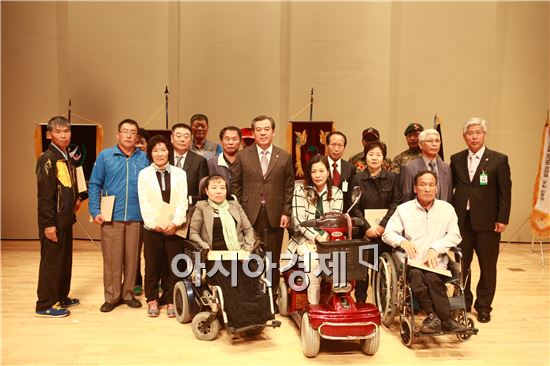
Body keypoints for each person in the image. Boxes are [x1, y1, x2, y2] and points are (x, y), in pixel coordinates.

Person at [382, 171, 467, 333]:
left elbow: (455, 235)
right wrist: (402, 241)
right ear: (415, 188)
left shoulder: (447, 209)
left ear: (436, 188)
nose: (427, 189)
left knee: (432, 277)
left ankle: (437, 318)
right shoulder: (403, 209)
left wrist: (436, 248)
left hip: (436, 263)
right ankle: (440, 318)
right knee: (416, 276)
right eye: (422, 185)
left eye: (431, 185)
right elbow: (388, 233)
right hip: (412, 262)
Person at [189, 175, 273, 329]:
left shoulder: (234, 205)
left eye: (222, 187)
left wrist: (246, 251)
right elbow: (193, 233)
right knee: (229, 279)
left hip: (238, 254)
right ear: (206, 191)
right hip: (215, 256)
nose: (219, 191)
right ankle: (237, 320)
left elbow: (248, 230)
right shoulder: (202, 207)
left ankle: (258, 318)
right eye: (214, 188)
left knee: (250, 276)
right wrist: (206, 248)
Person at [450, 117, 511, 323]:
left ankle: (484, 306)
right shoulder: (456, 159)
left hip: (488, 223)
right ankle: (464, 301)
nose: (474, 136)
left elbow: (505, 192)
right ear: (464, 136)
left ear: (484, 135)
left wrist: (502, 218)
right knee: (462, 265)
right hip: (462, 222)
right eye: (470, 133)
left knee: (487, 266)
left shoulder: (498, 160)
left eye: (478, 132)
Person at [232, 115, 294, 305]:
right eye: (258, 129)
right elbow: (235, 185)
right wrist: (239, 213)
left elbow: (289, 186)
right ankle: (251, 294)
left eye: (266, 129)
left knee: (272, 257)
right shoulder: (243, 156)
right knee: (249, 255)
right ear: (253, 133)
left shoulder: (284, 156)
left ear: (273, 132)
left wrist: (286, 212)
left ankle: (271, 296)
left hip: (275, 215)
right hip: (249, 214)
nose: (263, 133)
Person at [89, 119, 149, 312]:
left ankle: (128, 293)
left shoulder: (143, 158)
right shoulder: (106, 156)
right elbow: (95, 184)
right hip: (111, 216)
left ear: (137, 136)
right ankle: (112, 297)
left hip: (136, 216)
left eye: (133, 132)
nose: (129, 135)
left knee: (132, 259)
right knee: (112, 259)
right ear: (118, 134)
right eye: (125, 131)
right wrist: (95, 210)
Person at [35, 116, 82, 317]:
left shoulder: (65, 155)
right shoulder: (47, 158)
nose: (63, 135)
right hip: (53, 221)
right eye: (58, 131)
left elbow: (67, 184)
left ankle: (61, 296)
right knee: (52, 263)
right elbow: (45, 195)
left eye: (66, 131)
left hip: (65, 218)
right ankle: (45, 303)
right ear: (49, 134)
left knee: (64, 261)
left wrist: (76, 198)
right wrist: (48, 224)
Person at [138, 135, 188, 318]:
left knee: (173, 265)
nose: (160, 154)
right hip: (153, 229)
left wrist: (175, 223)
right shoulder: (144, 175)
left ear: (169, 151)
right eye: (155, 150)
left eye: (163, 149)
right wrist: (153, 224)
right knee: (152, 265)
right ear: (150, 153)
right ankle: (152, 299)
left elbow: (183, 201)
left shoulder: (180, 174)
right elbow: (144, 203)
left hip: (174, 228)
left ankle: (169, 299)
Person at [287, 155, 343, 304]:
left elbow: (336, 221)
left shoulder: (337, 193)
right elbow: (299, 220)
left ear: (328, 172)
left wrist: (325, 236)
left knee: (343, 259)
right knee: (314, 262)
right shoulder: (300, 191)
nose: (318, 175)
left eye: (321, 171)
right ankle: (314, 304)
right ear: (309, 173)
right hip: (305, 240)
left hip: (330, 240)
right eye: (314, 171)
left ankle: (334, 301)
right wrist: (316, 237)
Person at [351, 141, 402, 303]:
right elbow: (354, 206)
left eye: (378, 154)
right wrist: (367, 227)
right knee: (362, 271)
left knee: (384, 269)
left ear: (384, 158)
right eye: (371, 154)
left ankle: (383, 300)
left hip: (385, 232)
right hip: (364, 233)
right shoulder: (357, 179)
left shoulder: (393, 178)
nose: (374, 158)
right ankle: (360, 301)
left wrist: (382, 225)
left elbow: (396, 203)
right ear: (365, 157)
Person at [400, 128, 453, 202]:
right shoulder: (409, 168)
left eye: (437, 141)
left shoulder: (446, 167)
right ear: (420, 144)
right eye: (430, 141)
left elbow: (449, 196)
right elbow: (406, 198)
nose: (434, 144)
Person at [171, 123, 209, 206]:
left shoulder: (200, 161)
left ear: (191, 139)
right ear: (171, 138)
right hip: (165, 208)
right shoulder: (165, 158)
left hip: (190, 208)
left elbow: (202, 192)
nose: (182, 139)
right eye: (178, 136)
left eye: (186, 136)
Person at [134, 127, 150, 297]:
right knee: (134, 251)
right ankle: (136, 281)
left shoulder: (153, 161)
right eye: (136, 142)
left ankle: (154, 281)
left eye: (142, 142)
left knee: (152, 253)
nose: (139, 145)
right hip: (136, 214)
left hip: (153, 214)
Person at [325, 131, 356, 211]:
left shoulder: (350, 168)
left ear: (344, 147)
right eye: (333, 145)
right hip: (323, 211)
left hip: (343, 212)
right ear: (327, 146)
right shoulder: (319, 165)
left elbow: (351, 195)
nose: (336, 149)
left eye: (340, 145)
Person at [207, 126, 241, 194]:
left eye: (234, 139)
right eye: (227, 139)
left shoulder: (247, 161)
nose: (231, 142)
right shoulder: (211, 163)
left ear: (240, 141)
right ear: (221, 141)